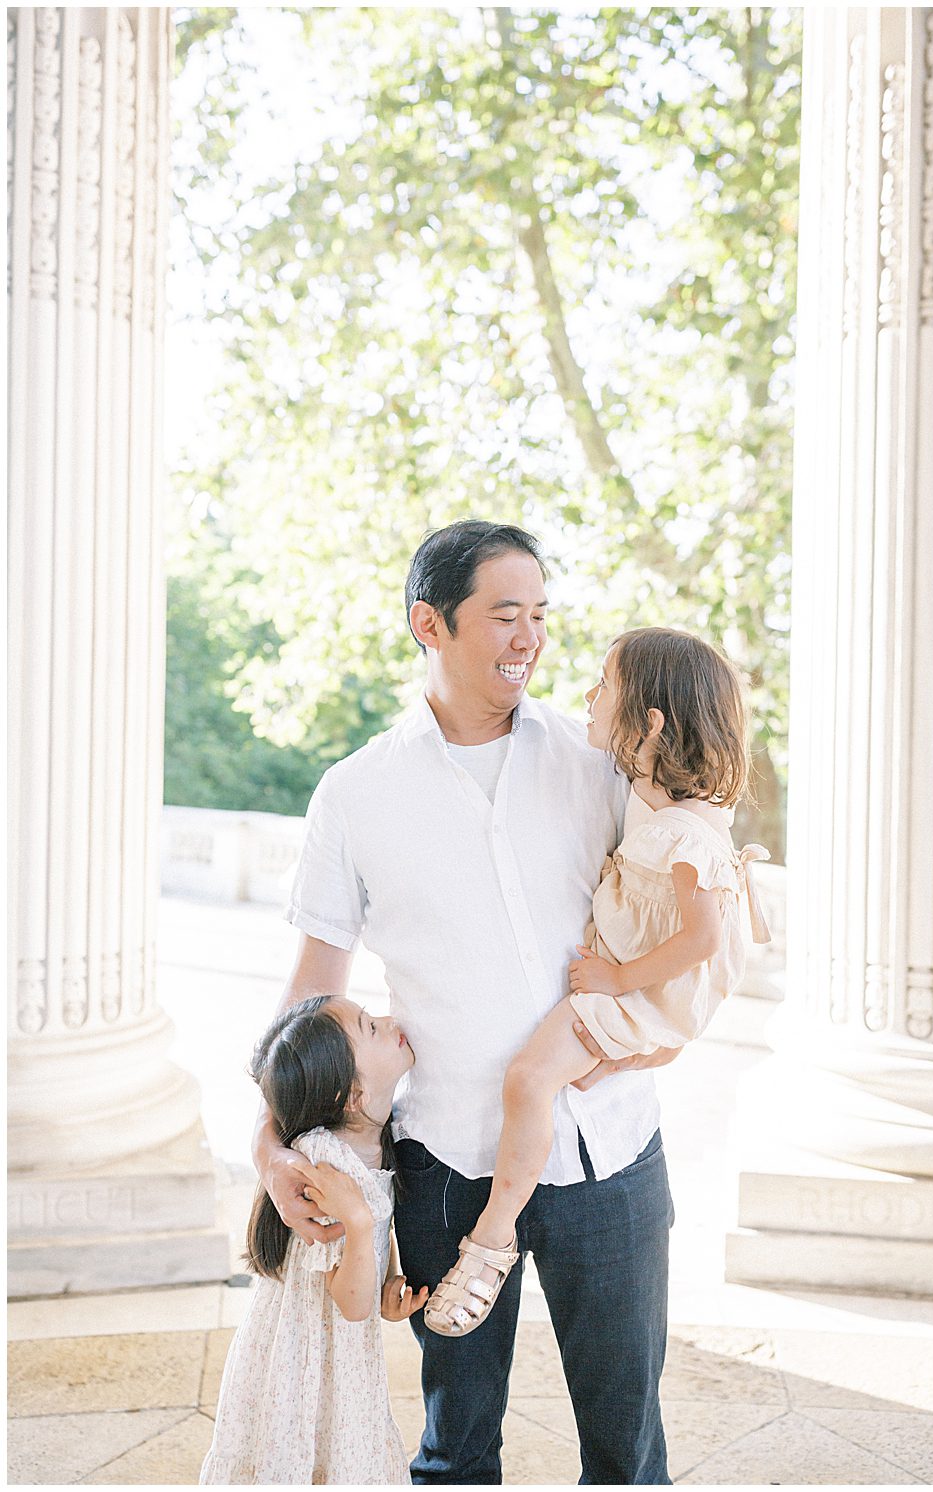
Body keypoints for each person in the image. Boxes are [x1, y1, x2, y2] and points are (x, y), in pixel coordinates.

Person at [255, 519, 680, 1485]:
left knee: (630, 1451)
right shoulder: (356, 794)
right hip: (448, 1166)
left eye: (540, 614)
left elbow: (679, 899)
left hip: (612, 1151)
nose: (528, 637)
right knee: (455, 1451)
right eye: (503, 614)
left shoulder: (597, 761)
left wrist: (665, 1031)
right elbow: (314, 988)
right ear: (430, 624)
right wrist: (271, 1140)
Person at [422, 627, 770, 1336]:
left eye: (604, 687)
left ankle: (491, 1241)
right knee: (534, 1081)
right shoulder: (648, 799)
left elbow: (704, 939)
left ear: (650, 722)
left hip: (628, 998)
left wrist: (615, 978)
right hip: (625, 994)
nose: (588, 696)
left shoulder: (684, 831)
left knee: (527, 1081)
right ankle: (497, 1235)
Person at [201, 994, 426, 1485]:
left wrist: (384, 1282)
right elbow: (349, 1303)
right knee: (309, 1454)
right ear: (350, 1094)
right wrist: (361, 1230)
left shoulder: (371, 1144)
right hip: (309, 1350)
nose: (389, 1021)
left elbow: (367, 1247)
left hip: (338, 1347)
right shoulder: (324, 1165)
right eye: (371, 1027)